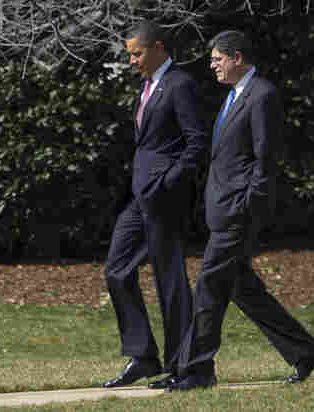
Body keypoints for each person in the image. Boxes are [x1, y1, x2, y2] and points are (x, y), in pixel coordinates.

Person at [163, 30, 314, 392]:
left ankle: (196, 369)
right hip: (222, 210)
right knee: (242, 289)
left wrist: (247, 204)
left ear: (237, 57)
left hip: (238, 212)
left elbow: (265, 158)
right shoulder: (234, 95)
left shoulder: (262, 95)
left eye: (217, 58)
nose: (212, 65)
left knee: (208, 284)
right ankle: (305, 351)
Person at [102, 21, 207, 389]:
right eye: (129, 54)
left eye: (137, 53)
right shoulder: (147, 87)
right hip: (140, 198)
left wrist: (169, 182)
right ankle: (143, 356)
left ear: (158, 47)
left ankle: (188, 367)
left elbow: (196, 142)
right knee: (116, 270)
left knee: (170, 282)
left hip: (166, 199)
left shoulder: (179, 84)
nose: (132, 60)